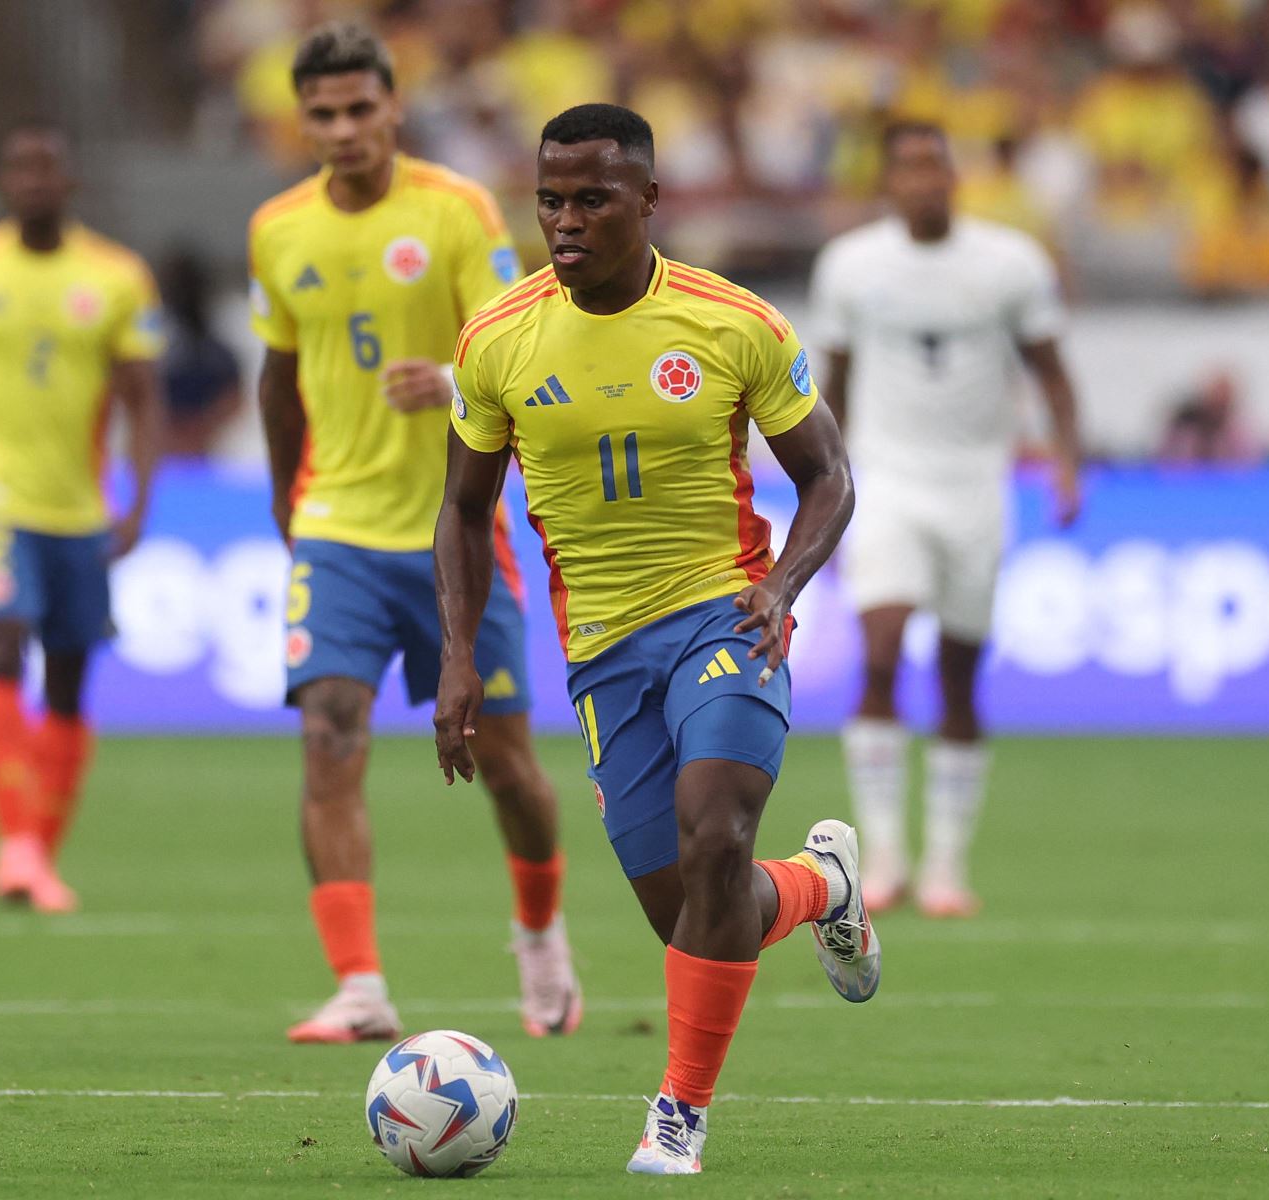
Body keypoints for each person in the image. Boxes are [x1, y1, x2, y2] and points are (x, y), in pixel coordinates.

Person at [436, 103, 877, 1176]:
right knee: (692, 913)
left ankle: (678, 1113)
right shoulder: (497, 339)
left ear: (649, 201)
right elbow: (459, 509)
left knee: (715, 834)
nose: (566, 220)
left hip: (725, 614)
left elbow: (828, 475)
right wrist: (457, 652)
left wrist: (780, 584)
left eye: (592, 198)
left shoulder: (734, 324)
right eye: (550, 200)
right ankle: (821, 887)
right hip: (602, 651)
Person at [249, 23, 579, 1046]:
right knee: (329, 733)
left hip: (456, 529)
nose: (343, 129)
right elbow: (275, 374)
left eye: (359, 109)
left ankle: (540, 938)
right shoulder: (277, 230)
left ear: (394, 107)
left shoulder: (455, 210)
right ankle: (360, 987)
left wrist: (446, 379)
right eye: (323, 113)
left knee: (508, 762)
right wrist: (282, 503)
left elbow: (510, 339)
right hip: (336, 526)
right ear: (300, 120)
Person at [810, 121, 1083, 919]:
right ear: (888, 182)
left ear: (954, 177)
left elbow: (1053, 374)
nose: (925, 181)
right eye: (909, 169)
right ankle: (885, 856)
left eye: (937, 166)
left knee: (961, 673)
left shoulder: (1010, 264)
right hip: (887, 480)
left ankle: (946, 865)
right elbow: (834, 386)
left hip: (976, 487)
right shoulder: (852, 267)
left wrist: (1067, 460)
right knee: (882, 651)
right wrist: (822, 491)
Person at [0, 121, 165, 913]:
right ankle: (15, 845)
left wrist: (140, 498)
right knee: (2, 647)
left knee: (71, 684)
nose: (33, 179)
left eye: (48, 166)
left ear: (69, 181)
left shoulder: (115, 276)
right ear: (1, 181)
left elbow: (144, 398)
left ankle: (37, 850)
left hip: (81, 511)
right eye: (19, 167)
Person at [157, 247, 244, 459]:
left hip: (203, 452)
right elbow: (135, 389)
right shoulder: (154, 349)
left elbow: (235, 396)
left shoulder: (217, 352)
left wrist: (203, 426)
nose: (183, 295)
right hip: (162, 448)